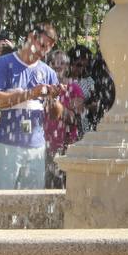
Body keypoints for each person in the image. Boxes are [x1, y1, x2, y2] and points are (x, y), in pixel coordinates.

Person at [0, 23, 63, 190]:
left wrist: (53, 99)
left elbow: (56, 115)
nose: (43, 52)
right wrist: (31, 93)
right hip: (6, 146)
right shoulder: (3, 64)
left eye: (47, 48)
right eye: (41, 45)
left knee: (32, 206)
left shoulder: (48, 72)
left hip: (36, 148)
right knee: (0, 203)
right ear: (30, 37)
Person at [45, 50, 84, 187]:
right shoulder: (43, 87)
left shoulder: (74, 88)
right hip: (43, 146)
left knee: (63, 187)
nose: (58, 66)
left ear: (67, 67)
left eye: (62, 63)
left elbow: (74, 118)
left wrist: (55, 102)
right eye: (54, 62)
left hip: (65, 146)